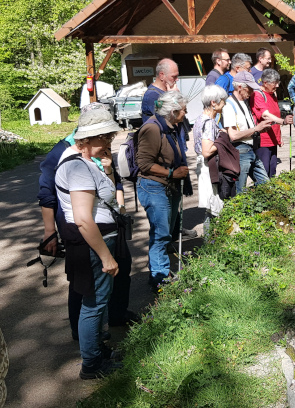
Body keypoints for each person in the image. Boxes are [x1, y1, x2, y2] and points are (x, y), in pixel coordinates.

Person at [38, 103, 138, 340]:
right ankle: (81, 333)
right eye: (105, 136)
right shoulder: (63, 153)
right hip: (79, 225)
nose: (108, 142)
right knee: (84, 283)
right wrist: (49, 231)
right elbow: (46, 193)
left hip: (107, 222)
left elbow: (114, 185)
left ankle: (115, 315)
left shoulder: (98, 147)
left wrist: (113, 181)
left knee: (119, 268)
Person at [54, 108, 123, 379]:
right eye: (104, 137)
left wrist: (106, 169)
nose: (108, 142)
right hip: (94, 247)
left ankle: (98, 352)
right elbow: (83, 219)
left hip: (98, 243)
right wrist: (106, 256)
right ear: (86, 138)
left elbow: (107, 199)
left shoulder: (86, 163)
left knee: (98, 302)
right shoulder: (76, 166)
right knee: (93, 306)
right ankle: (92, 365)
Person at [136, 91, 191, 291]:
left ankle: (158, 272)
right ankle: (161, 280)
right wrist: (171, 173)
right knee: (161, 234)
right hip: (153, 186)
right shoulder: (152, 128)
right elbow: (143, 164)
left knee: (165, 233)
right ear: (173, 111)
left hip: (168, 186)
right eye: (183, 110)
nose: (185, 113)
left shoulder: (170, 126)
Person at [221, 71, 273, 193]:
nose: (252, 92)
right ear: (240, 87)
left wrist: (260, 129)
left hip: (251, 149)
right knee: (240, 192)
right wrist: (256, 129)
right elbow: (233, 135)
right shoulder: (229, 105)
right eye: (249, 89)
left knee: (266, 186)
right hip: (241, 151)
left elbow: (246, 128)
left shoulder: (243, 102)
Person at [193, 85, 229, 222]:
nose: (224, 103)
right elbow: (207, 150)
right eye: (222, 100)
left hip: (205, 166)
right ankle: (212, 242)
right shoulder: (208, 122)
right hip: (209, 167)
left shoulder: (200, 119)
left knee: (212, 207)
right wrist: (223, 141)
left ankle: (212, 241)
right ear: (213, 102)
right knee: (214, 208)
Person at [252, 69, 293, 177]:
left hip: (273, 139)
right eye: (275, 83)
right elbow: (266, 115)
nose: (278, 85)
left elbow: (276, 114)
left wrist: (279, 137)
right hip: (263, 140)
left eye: (277, 82)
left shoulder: (272, 94)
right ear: (265, 83)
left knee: (272, 169)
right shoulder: (258, 94)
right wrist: (283, 121)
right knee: (264, 171)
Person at [141, 58, 179, 123]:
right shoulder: (153, 95)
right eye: (174, 76)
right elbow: (167, 120)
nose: (177, 79)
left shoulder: (166, 91)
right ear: (161, 76)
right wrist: (173, 97)